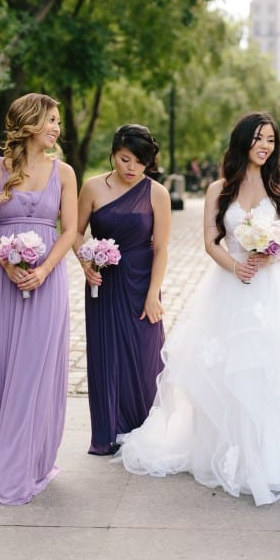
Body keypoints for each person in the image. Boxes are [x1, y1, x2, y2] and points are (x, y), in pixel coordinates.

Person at [117, 112, 280, 505]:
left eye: (271, 140)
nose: (264, 146)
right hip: (232, 284)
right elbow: (211, 241)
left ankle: (278, 455)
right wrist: (236, 265)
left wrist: (272, 254)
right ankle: (234, 449)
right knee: (232, 367)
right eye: (258, 138)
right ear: (243, 140)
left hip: (278, 283)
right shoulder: (219, 189)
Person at [0, 93, 77, 504]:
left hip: (47, 280)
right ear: (30, 123)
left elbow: (68, 229)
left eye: (58, 122)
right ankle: (2, 457)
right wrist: (8, 262)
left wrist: (44, 269)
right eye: (50, 120)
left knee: (35, 369)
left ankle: (28, 463)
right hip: (5, 280)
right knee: (4, 367)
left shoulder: (64, 173)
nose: (56, 128)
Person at [75, 124, 171, 455]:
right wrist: (85, 264)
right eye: (125, 159)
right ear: (114, 153)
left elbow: (160, 249)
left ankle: (145, 430)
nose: (132, 169)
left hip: (142, 283)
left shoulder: (157, 193)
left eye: (140, 162)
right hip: (103, 283)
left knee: (145, 357)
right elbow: (74, 234)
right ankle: (108, 431)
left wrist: (153, 294)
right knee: (106, 355)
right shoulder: (91, 188)